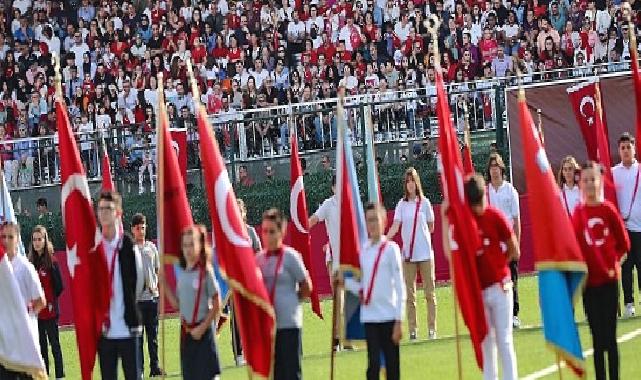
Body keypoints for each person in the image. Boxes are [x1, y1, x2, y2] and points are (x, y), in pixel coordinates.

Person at [443, 174, 519, 380]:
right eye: (475, 202)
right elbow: (450, 253)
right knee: (486, 342)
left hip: (500, 287)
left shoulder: (496, 216)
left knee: (504, 340)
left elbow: (515, 249)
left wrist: (499, 265)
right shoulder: (465, 224)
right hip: (478, 291)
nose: (480, 206)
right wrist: (445, 218)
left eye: (481, 200)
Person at [573, 161, 629, 380]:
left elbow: (624, 245)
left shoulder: (608, 210)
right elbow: (572, 249)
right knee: (596, 339)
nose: (588, 184)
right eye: (585, 180)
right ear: (580, 184)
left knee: (610, 338)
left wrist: (614, 265)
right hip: (589, 286)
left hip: (609, 284)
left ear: (599, 182)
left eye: (592, 179)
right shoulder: (578, 214)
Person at [343, 202, 405, 380]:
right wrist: (345, 282)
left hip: (389, 317)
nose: (372, 224)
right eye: (369, 220)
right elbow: (362, 287)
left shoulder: (391, 250)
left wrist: (399, 320)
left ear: (384, 221)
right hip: (370, 317)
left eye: (375, 219)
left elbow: (400, 286)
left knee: (392, 367)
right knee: (373, 365)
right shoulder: (362, 251)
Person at [257, 208, 312, 380]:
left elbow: (306, 286)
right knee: (275, 374)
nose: (267, 236)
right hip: (268, 327)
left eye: (272, 231)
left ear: (282, 231)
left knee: (291, 373)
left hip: (289, 324)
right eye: (265, 231)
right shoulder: (258, 259)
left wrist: (292, 301)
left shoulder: (291, 256)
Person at [164, 225, 222, 380]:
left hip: (203, 333)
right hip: (187, 334)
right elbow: (178, 306)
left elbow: (217, 302)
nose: (188, 249)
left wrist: (202, 328)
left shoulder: (205, 271)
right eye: (185, 245)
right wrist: (163, 284)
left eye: (191, 244)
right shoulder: (182, 273)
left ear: (199, 246)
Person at [386, 167, 437, 340]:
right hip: (408, 255)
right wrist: (384, 239)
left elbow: (431, 226)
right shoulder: (401, 204)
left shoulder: (425, 203)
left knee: (430, 293)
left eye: (412, 180)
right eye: (407, 181)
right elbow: (396, 225)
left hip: (425, 254)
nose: (410, 184)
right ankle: (413, 330)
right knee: (410, 295)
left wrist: (420, 237)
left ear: (417, 183)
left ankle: (432, 329)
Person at [96, 191, 143, 380]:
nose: (104, 213)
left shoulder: (127, 245)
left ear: (118, 212)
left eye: (108, 208)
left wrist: (130, 306)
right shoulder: (95, 247)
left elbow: (138, 282)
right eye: (100, 209)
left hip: (127, 326)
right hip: (104, 330)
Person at [0, 222, 46, 378]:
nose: (6, 240)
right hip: (4, 340)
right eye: (3, 237)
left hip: (23, 338)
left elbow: (40, 300)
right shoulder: (1, 268)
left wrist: (25, 313)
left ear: (17, 239)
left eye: (10, 237)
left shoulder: (25, 267)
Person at [485, 153, 522, 328]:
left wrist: (517, 244)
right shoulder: (486, 192)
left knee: (512, 279)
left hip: (508, 243)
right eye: (491, 167)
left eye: (496, 166)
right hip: (493, 245)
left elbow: (516, 219)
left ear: (502, 169)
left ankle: (514, 314)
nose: (494, 170)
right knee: (493, 281)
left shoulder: (510, 190)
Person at [308, 175, 344, 350]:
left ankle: (348, 337)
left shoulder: (352, 203)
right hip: (334, 259)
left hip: (350, 259)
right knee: (338, 298)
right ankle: (336, 338)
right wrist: (302, 228)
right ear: (333, 188)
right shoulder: (329, 204)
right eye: (336, 185)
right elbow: (315, 219)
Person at [226, 198, 262, 366]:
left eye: (239, 211)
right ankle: (239, 354)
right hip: (236, 281)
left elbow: (259, 253)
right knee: (237, 317)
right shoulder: (229, 233)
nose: (237, 215)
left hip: (251, 281)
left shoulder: (251, 232)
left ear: (244, 213)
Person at [29, 225, 65, 380]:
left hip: (50, 312)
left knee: (55, 345)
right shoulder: (30, 263)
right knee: (41, 347)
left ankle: (59, 375)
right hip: (37, 314)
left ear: (45, 240)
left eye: (40, 239)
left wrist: (50, 301)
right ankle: (45, 376)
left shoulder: (52, 261)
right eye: (35, 240)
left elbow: (59, 286)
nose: (37, 242)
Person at [612, 133, 641, 317]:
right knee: (626, 266)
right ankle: (628, 302)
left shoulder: (640, 170)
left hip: (640, 227)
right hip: (623, 229)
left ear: (634, 148)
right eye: (622, 148)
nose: (625, 151)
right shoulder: (614, 172)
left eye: (628, 147)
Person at [131, 213, 164, 377]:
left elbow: (158, 269)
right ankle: (139, 370)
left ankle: (155, 367)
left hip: (152, 298)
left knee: (153, 337)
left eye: (143, 227)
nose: (141, 230)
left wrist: (155, 285)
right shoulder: (131, 249)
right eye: (138, 228)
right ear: (132, 230)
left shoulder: (152, 247)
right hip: (137, 301)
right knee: (138, 338)